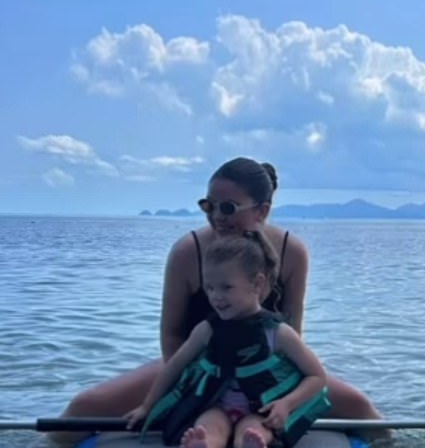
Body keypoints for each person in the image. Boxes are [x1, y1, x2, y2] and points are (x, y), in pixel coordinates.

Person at [61, 157, 381, 425]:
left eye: (228, 208)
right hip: (198, 364)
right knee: (83, 408)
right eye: (208, 206)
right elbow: (171, 336)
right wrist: (196, 390)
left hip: (265, 367)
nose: (217, 217)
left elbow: (293, 331)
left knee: (361, 409)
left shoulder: (291, 253)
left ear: (262, 210)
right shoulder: (189, 252)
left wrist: (278, 392)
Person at [125, 231, 330, 448]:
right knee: (208, 429)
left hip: (260, 408)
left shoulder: (276, 333)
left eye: (226, 287)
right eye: (210, 288)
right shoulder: (207, 330)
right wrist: (147, 406)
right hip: (217, 405)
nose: (216, 297)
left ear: (257, 284)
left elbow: (317, 377)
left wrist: (286, 405)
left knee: (253, 432)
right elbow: (174, 366)